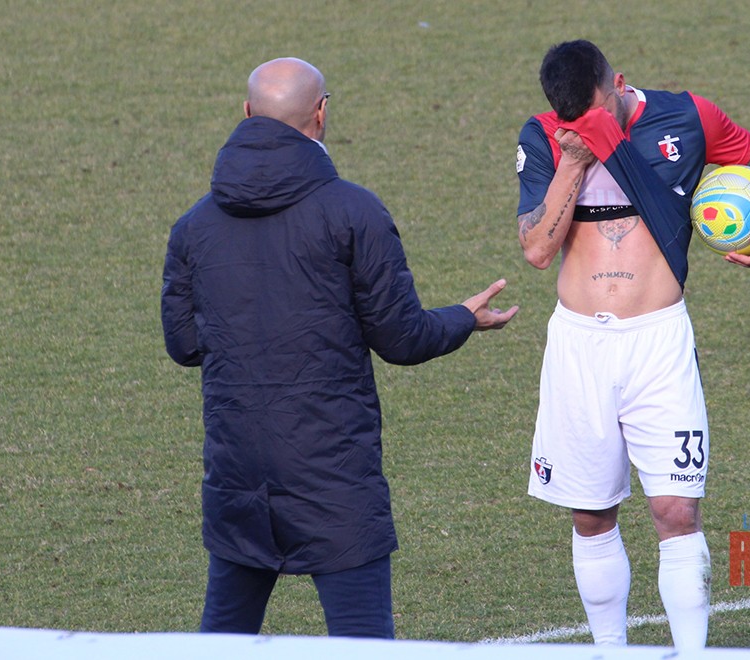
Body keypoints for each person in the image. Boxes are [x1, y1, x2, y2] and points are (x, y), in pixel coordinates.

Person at [161, 57, 517, 638]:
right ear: (321, 114)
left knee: (223, 636)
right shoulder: (355, 212)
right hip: (334, 475)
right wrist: (461, 318)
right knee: (363, 640)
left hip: (238, 473)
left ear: (246, 113)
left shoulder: (193, 227)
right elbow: (400, 338)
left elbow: (183, 344)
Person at [515, 41, 750, 651]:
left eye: (598, 112)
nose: (589, 125)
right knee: (591, 514)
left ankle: (691, 651)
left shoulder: (687, 117)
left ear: (618, 84)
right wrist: (573, 160)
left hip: (658, 342)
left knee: (677, 512)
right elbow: (537, 249)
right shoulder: (545, 136)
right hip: (580, 346)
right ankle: (609, 649)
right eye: (576, 119)